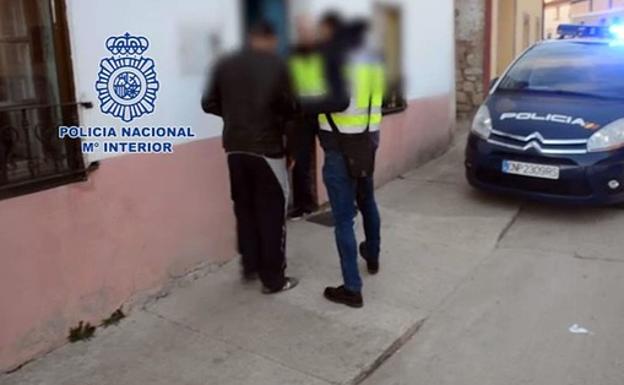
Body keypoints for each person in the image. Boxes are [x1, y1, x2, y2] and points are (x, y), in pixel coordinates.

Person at [201, 21, 299, 294]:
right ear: (269, 40)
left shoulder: (224, 64)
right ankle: (274, 280)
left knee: (244, 209)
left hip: (234, 148)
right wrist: (291, 149)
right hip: (267, 150)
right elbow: (291, 108)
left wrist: (235, 117)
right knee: (272, 214)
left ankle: (250, 267)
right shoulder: (277, 65)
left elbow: (208, 103)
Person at [317, 20, 384, 308]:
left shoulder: (334, 63)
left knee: (343, 219)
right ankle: (372, 254)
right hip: (367, 142)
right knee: (367, 201)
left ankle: (352, 288)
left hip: (339, 146)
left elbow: (334, 101)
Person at [287, 15, 323, 219]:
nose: (304, 34)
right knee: (300, 161)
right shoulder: (292, 55)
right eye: (301, 31)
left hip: (323, 112)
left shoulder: (323, 54)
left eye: (307, 31)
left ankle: (345, 199)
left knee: (336, 158)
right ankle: (304, 204)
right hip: (300, 114)